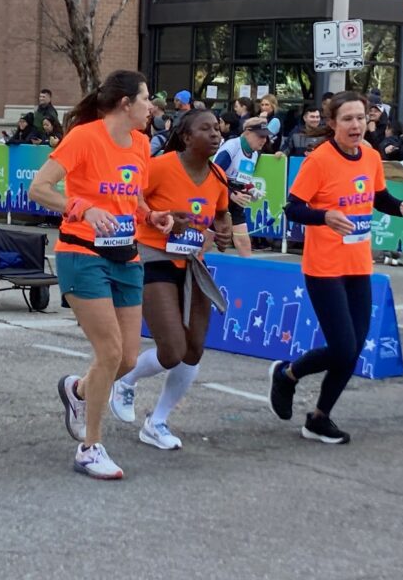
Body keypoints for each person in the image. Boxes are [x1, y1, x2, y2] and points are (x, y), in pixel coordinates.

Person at [28, 69, 173, 480]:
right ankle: (90, 448)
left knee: (126, 358)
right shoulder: (85, 137)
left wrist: (152, 215)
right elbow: (39, 188)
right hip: (82, 253)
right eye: (146, 99)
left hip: (125, 256)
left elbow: (134, 196)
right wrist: (83, 208)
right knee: (109, 353)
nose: (152, 107)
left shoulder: (142, 144)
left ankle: (77, 391)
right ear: (126, 103)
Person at [270, 91, 403, 444]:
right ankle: (287, 373)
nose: (356, 124)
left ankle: (319, 418)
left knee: (354, 347)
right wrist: (324, 215)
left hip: (358, 265)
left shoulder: (370, 156)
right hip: (324, 267)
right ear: (332, 124)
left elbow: (378, 198)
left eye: (361, 118)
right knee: (342, 347)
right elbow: (293, 208)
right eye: (347, 119)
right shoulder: (320, 160)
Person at [111, 110, 231, 450]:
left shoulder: (218, 175)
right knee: (173, 348)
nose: (215, 133)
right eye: (205, 128)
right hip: (154, 255)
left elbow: (222, 212)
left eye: (218, 128)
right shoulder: (160, 165)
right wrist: (157, 217)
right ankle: (125, 381)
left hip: (192, 261)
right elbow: (128, 198)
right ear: (186, 136)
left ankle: (157, 422)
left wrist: (222, 229)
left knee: (194, 349)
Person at [213, 117, 272, 258]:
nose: (264, 140)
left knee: (244, 242)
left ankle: (250, 275)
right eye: (260, 136)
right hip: (218, 197)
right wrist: (230, 194)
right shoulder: (231, 147)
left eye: (266, 136)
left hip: (235, 198)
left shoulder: (255, 153)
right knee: (207, 241)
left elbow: (243, 177)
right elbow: (213, 176)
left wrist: (252, 189)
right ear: (247, 132)